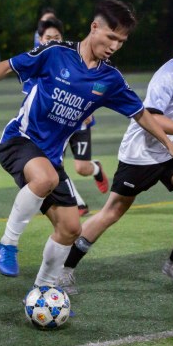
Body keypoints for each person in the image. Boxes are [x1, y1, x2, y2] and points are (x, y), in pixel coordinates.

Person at [0, 0, 173, 291]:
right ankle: (7, 244)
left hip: (51, 157)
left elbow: (141, 114)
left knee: (71, 228)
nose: (115, 46)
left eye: (121, 41)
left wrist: (170, 146)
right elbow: (9, 65)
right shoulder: (55, 53)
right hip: (20, 140)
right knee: (45, 178)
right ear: (94, 27)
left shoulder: (110, 79)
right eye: (110, 37)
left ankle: (44, 291)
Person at [58, 6, 173, 294]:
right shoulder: (166, 76)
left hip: (172, 150)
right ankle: (65, 269)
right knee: (112, 212)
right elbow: (152, 118)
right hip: (141, 151)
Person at [33, 17, 109, 216]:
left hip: (79, 124)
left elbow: (95, 86)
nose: (52, 41)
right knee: (54, 166)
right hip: (55, 126)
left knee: (82, 168)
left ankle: (96, 169)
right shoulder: (36, 63)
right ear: (40, 40)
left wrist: (89, 109)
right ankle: (79, 204)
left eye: (56, 37)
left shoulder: (75, 56)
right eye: (48, 38)